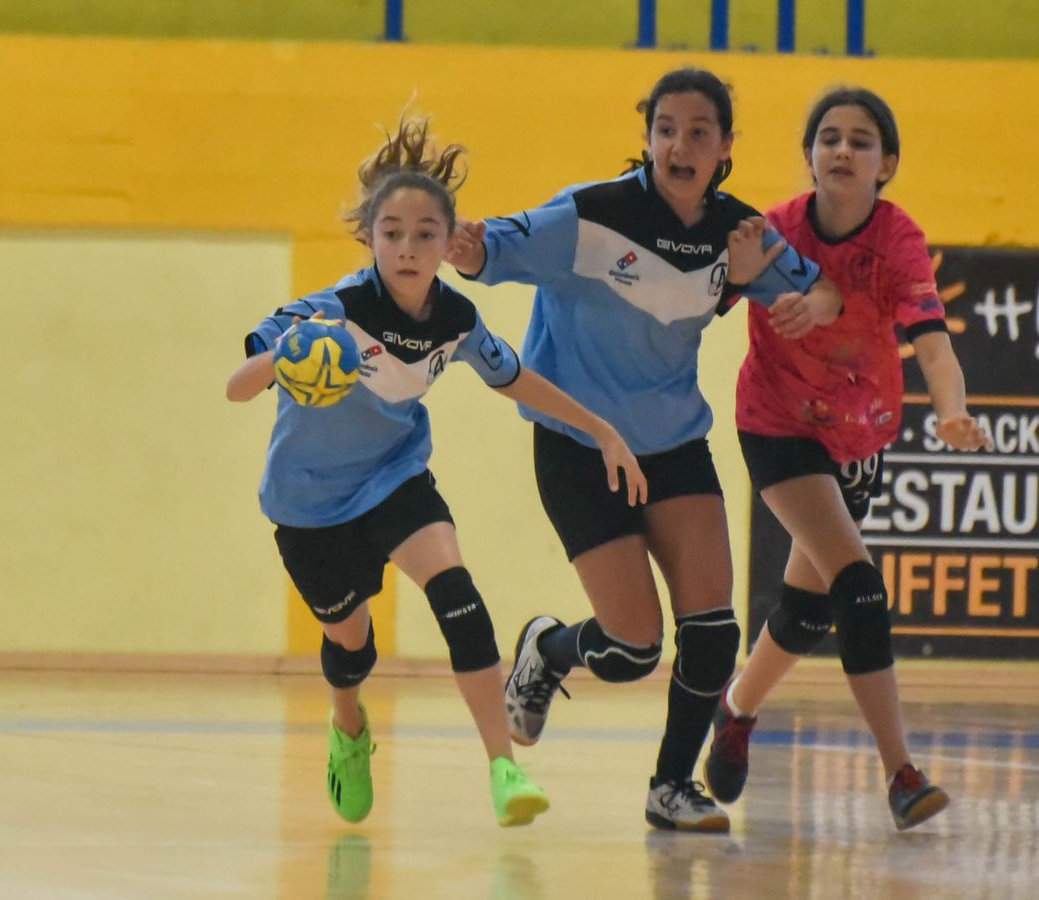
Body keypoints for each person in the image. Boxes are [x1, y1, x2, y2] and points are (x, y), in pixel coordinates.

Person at [444, 67, 841, 833]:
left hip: (672, 447)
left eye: (699, 131)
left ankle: (669, 788)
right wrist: (463, 245)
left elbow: (822, 294)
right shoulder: (589, 215)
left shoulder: (739, 235)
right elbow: (488, 251)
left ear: (726, 145)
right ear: (648, 135)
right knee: (631, 649)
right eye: (666, 128)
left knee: (714, 635)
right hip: (579, 446)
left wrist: (791, 296)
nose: (679, 145)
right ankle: (549, 649)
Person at [225, 116, 647, 827]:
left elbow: (514, 378)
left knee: (459, 599)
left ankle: (504, 770)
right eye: (392, 231)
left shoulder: (455, 317)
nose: (408, 247)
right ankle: (348, 728)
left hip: (394, 478)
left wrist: (601, 429)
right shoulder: (331, 310)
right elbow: (237, 386)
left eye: (427, 233)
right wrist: (284, 356)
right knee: (349, 645)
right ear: (368, 237)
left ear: (450, 242)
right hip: (308, 506)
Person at [702, 87, 992, 831]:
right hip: (778, 425)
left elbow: (933, 343)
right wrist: (750, 284)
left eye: (860, 142)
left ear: (886, 164)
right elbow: (730, 293)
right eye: (828, 137)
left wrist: (953, 411)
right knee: (859, 586)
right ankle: (901, 772)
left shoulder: (898, 241)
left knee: (804, 614)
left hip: (860, 433)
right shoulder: (771, 230)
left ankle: (734, 710)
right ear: (808, 156)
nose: (841, 150)